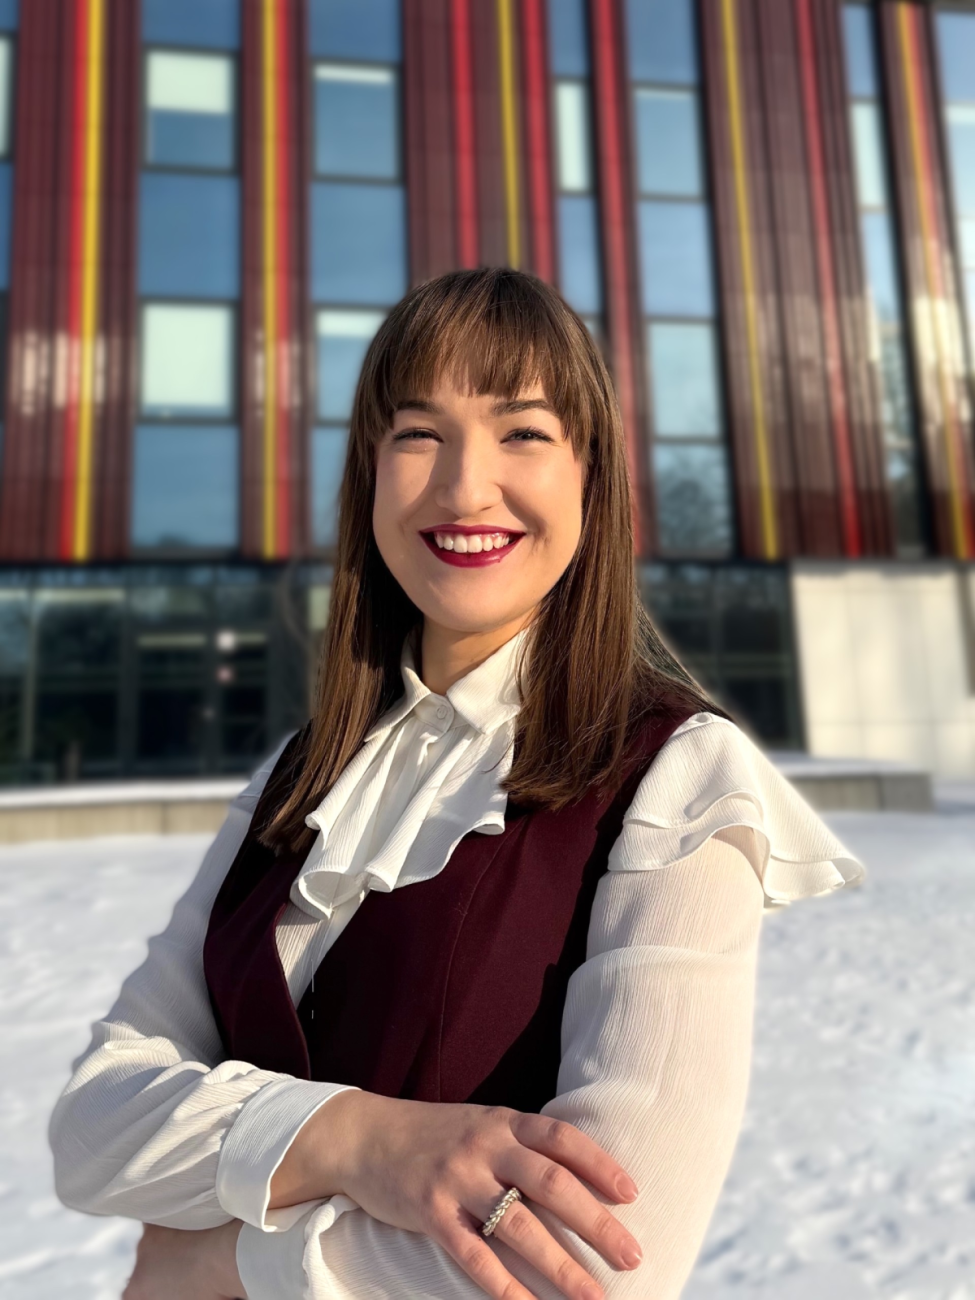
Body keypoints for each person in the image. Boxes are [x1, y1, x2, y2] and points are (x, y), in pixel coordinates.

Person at [49, 267, 863, 1300]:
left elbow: (600, 1259)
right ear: (370, 475)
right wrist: (357, 1139)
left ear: (590, 476)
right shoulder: (296, 777)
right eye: (418, 433)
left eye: (523, 432)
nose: (465, 487)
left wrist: (221, 1258)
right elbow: (94, 1127)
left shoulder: (679, 776)